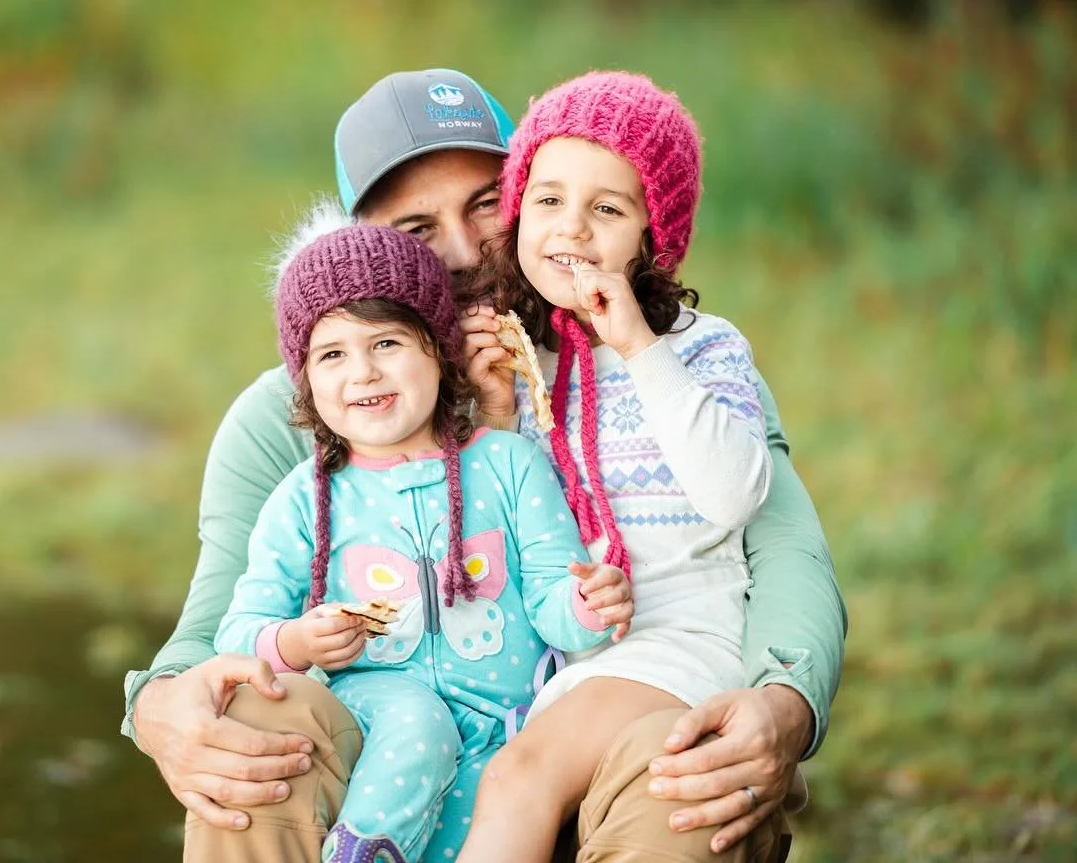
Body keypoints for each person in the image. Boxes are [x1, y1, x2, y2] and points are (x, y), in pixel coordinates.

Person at [122, 68, 847, 862]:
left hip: (607, 722)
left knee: (679, 776)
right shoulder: (298, 411)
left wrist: (783, 706)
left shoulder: (658, 357)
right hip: (392, 759)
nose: (466, 252)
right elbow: (214, 624)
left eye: (485, 204)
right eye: (419, 228)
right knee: (254, 720)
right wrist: (161, 709)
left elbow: (787, 551)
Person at [214, 221, 632, 862]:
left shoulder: (509, 465)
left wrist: (589, 606)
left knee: (490, 814)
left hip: (504, 725)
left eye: (387, 342)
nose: (363, 372)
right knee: (420, 722)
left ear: (438, 349)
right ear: (304, 380)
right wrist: (296, 642)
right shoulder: (305, 499)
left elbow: (554, 598)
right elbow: (239, 631)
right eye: (332, 355)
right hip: (374, 713)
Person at [453, 70, 775, 862]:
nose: (572, 229)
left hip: (681, 643)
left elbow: (735, 492)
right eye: (548, 199)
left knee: (520, 778)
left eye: (607, 208)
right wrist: (495, 416)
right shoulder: (522, 362)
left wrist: (640, 347)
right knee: (520, 782)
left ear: (653, 237)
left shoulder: (703, 347)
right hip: (576, 652)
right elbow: (502, 546)